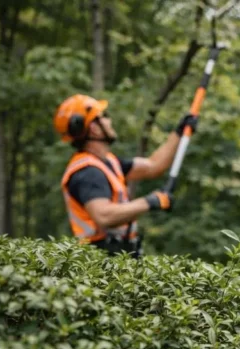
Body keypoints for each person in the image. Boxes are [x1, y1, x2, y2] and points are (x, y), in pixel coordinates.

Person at [53, 94, 196, 256]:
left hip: (120, 256)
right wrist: (149, 202)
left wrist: (179, 132)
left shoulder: (109, 163)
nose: (109, 121)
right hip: (101, 259)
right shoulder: (87, 173)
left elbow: (154, 166)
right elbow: (104, 216)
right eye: (104, 116)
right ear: (94, 128)